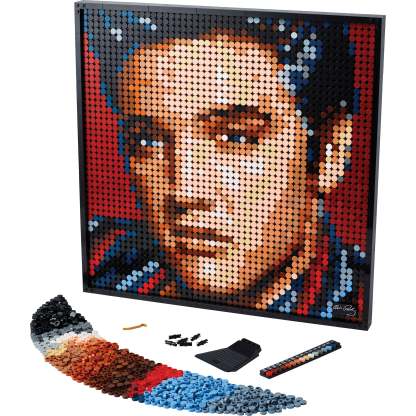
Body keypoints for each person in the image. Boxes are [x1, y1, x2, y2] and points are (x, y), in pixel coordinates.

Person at [86, 10, 368, 321]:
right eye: (147, 140)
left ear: (330, 152)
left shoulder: (361, 305)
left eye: (236, 137)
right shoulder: (98, 258)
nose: (186, 190)